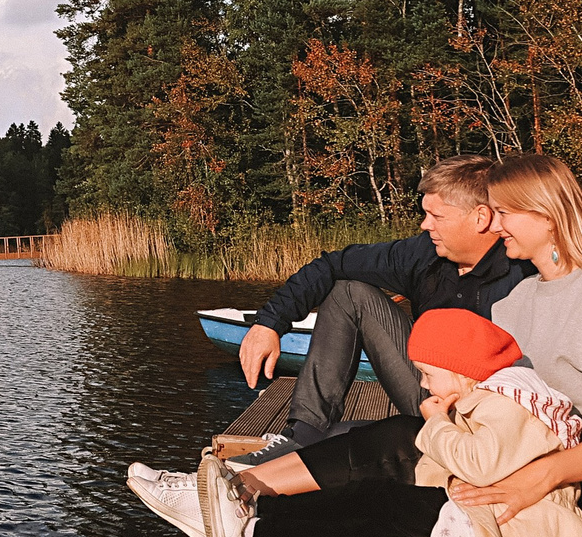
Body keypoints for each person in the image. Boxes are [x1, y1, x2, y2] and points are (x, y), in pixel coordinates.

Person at [128, 152, 582, 537]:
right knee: (407, 441)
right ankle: (240, 503)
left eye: (505, 213)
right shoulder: (527, 300)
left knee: (409, 509)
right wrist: (454, 413)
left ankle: (246, 522)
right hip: (546, 467)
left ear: (542, 215)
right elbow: (515, 399)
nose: (497, 224)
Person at [228, 155, 535, 467]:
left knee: (359, 438)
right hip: (428, 394)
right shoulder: (424, 253)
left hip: (489, 419)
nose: (425, 224)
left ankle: (327, 445)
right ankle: (306, 431)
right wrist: (268, 324)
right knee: (349, 291)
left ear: (480, 218)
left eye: (436, 216)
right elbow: (332, 264)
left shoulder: (522, 270)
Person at [406, 308, 582, 537]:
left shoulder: (504, 405)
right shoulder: (489, 398)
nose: (423, 384)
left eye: (427, 373)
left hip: (524, 519)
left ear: (460, 371)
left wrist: (436, 422)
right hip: (507, 507)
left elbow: (479, 464)